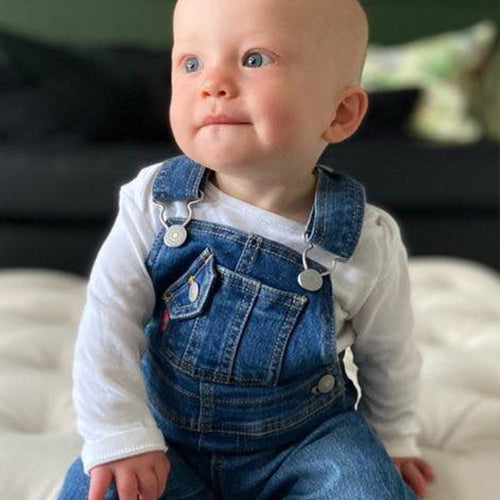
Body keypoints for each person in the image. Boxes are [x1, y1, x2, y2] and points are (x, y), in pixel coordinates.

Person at [58, 0, 436, 498]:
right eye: (191, 63)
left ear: (340, 113)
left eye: (255, 59)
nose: (212, 83)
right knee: (99, 487)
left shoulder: (364, 240)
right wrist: (120, 433)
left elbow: (390, 355)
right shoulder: (157, 201)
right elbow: (110, 318)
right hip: (168, 437)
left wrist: (394, 438)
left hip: (305, 441)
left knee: (369, 490)